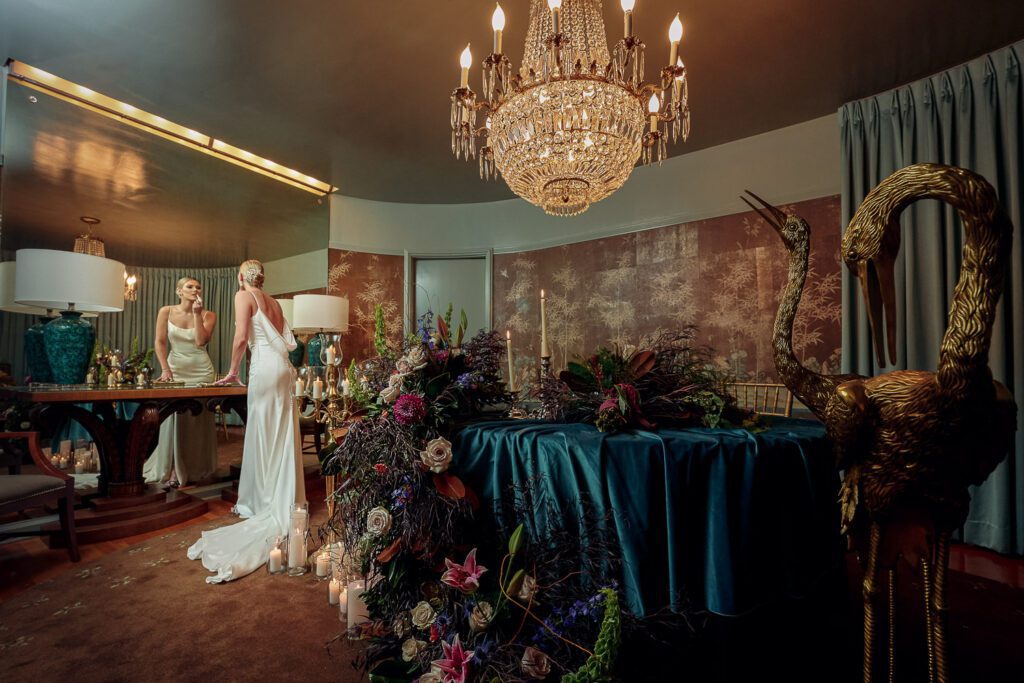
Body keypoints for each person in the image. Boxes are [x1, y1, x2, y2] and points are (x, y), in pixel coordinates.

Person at [187, 259, 306, 583]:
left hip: (264, 369)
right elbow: (287, 342)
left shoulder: (244, 296)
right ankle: (279, 496)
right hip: (283, 370)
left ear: (241, 278)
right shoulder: (275, 302)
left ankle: (262, 500)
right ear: (262, 278)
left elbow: (241, 337)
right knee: (279, 433)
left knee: (261, 433)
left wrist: (233, 371)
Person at [143, 276, 218, 486]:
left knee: (197, 420)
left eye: (198, 287)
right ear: (179, 291)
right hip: (176, 369)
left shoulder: (208, 315)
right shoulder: (166, 311)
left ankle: (195, 467)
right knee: (174, 419)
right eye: (190, 286)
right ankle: (173, 469)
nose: (195, 289)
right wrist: (165, 369)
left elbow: (200, 341)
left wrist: (196, 314)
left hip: (201, 370)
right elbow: (159, 342)